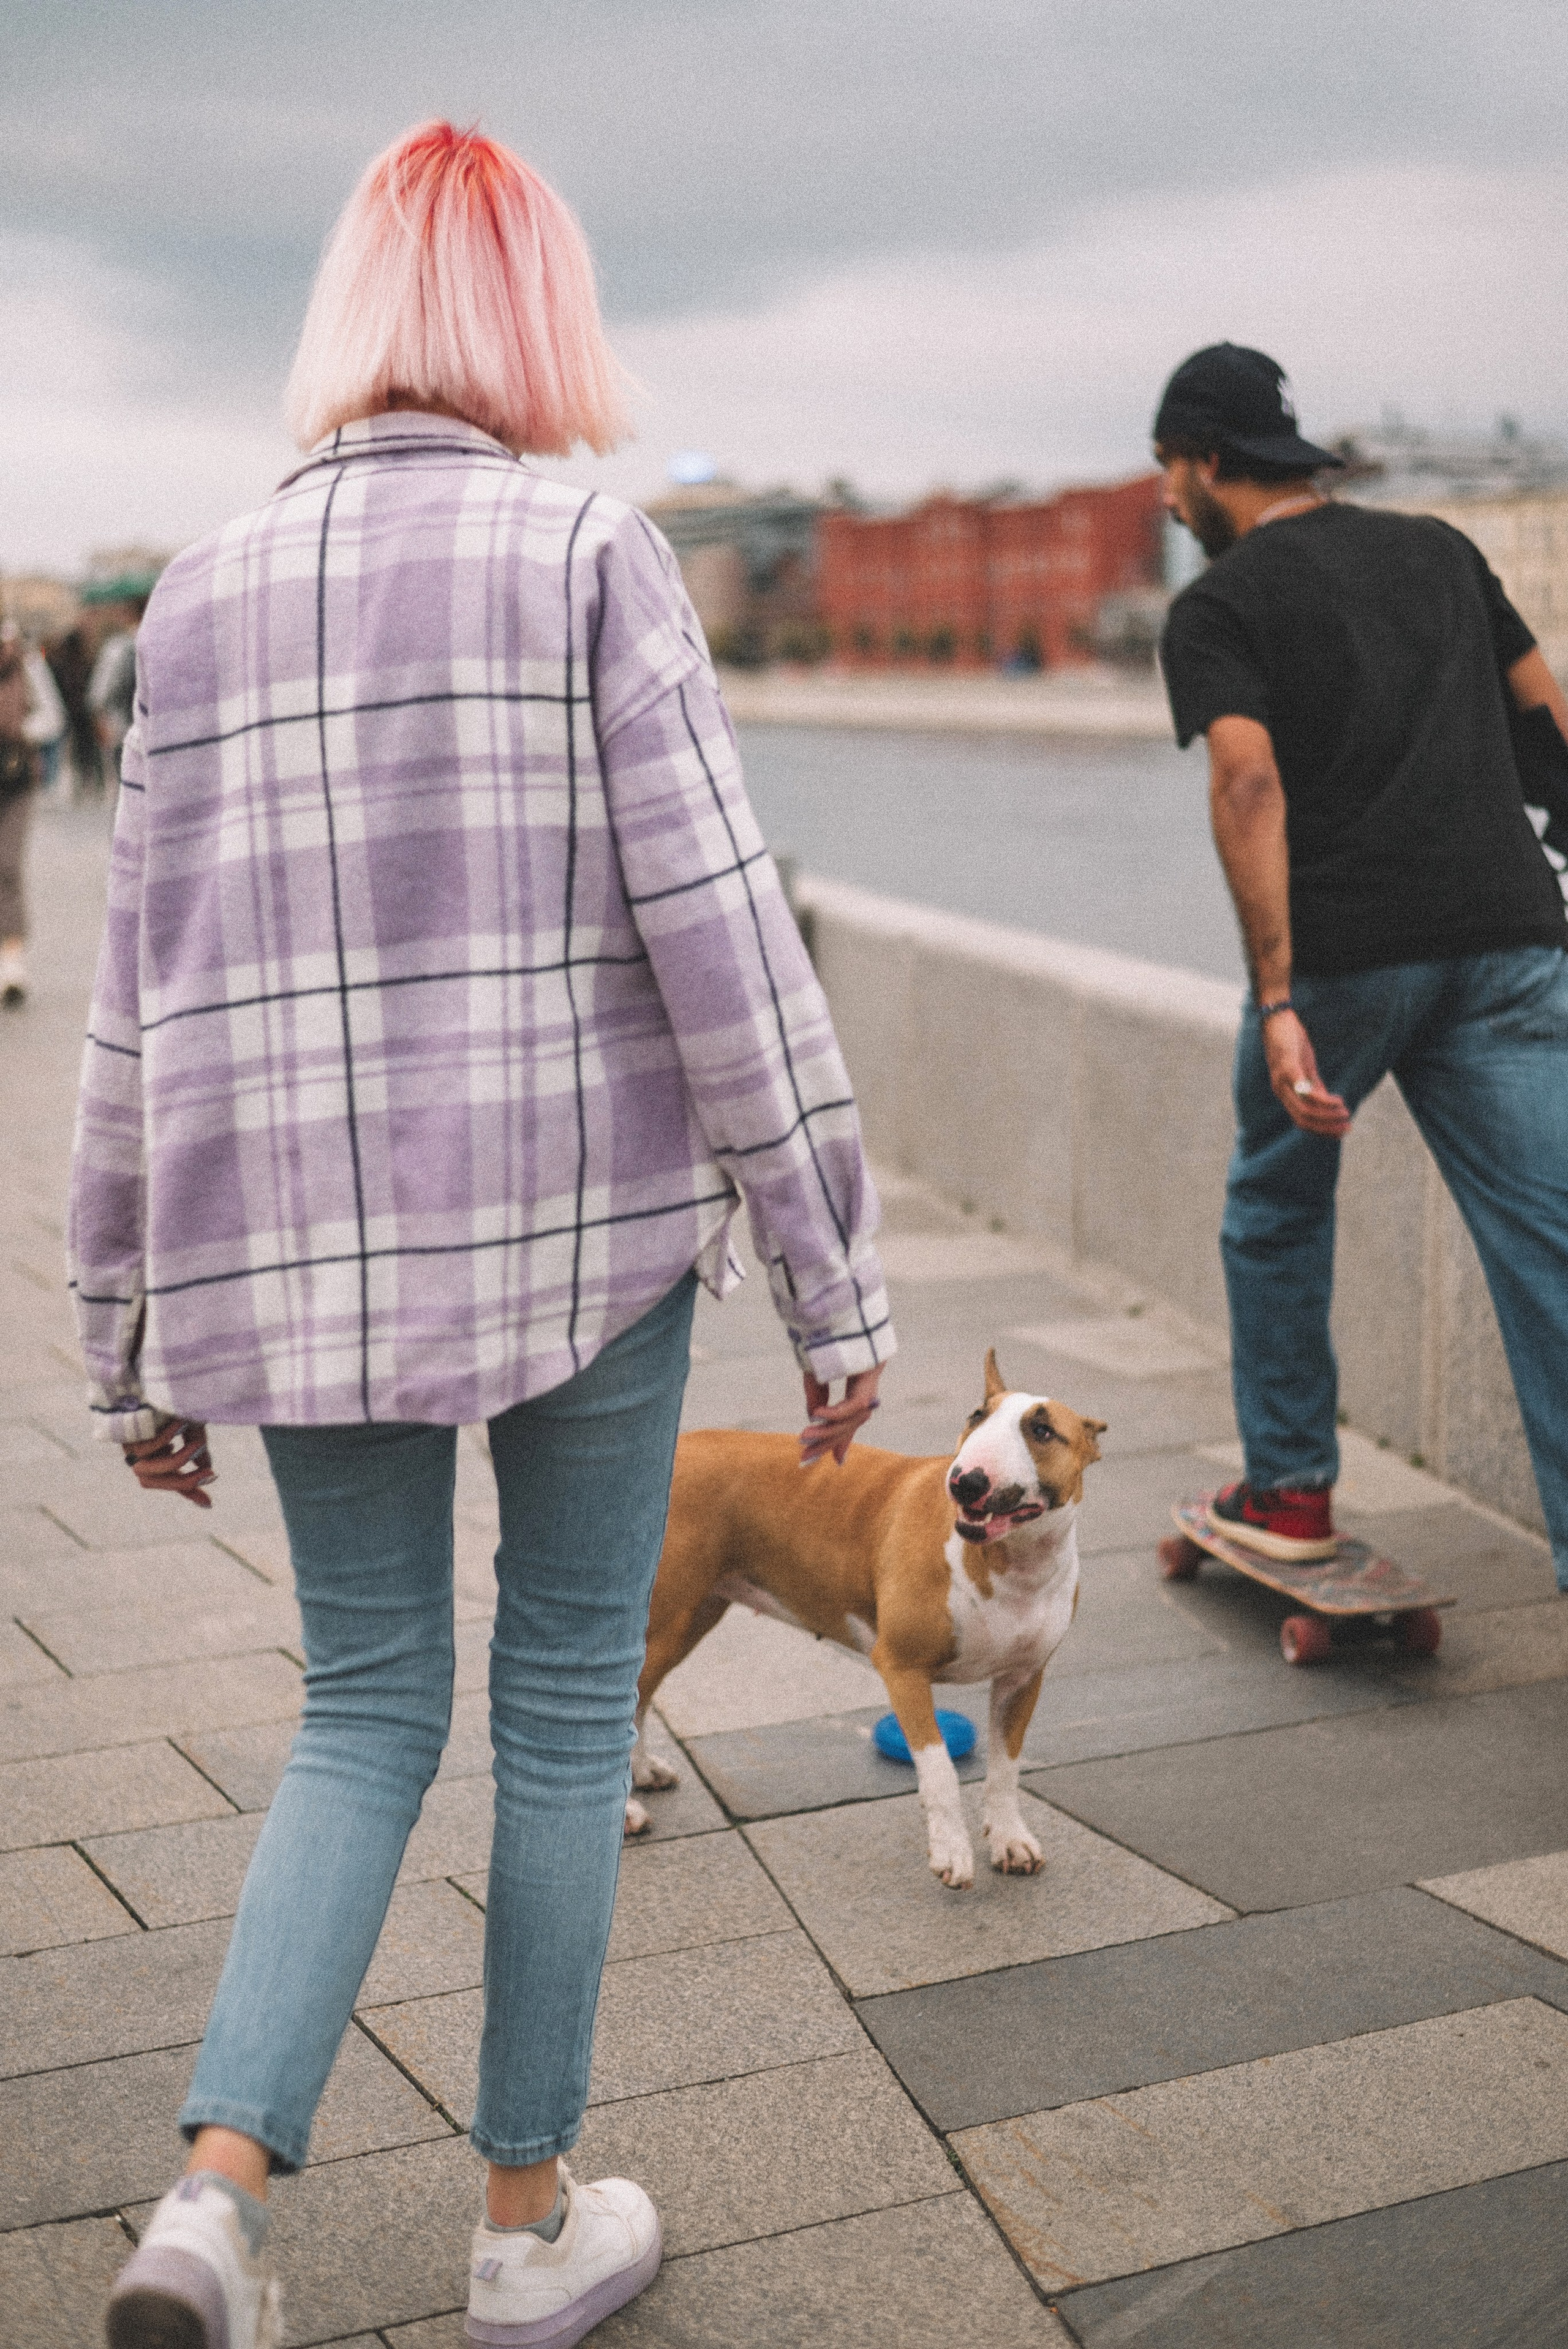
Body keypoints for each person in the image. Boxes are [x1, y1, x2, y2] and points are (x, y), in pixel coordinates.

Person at [76, 121, 893, 2349]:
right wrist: (828, 1268)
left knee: (358, 1706)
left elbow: (142, 989)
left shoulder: (200, 591)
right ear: (541, 314)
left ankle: (212, 2206)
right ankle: (524, 2218)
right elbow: (725, 943)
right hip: (575, 1244)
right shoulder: (586, 555)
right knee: (553, 1706)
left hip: (295, 1257)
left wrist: (126, 1328)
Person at [1154, 342, 1568, 1588]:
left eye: (1169, 470)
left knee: (1276, 1212)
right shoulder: (1438, 551)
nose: (1168, 501)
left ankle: (1286, 1492)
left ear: (1211, 461)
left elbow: (1246, 780)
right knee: (1548, 1243)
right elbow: (1544, 721)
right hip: (1507, 942)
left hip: (1345, 960)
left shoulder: (1217, 606)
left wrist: (1277, 1000)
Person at [0, 636, 39, 1005]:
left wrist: (19, 727)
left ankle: (12, 967)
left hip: (13, 778)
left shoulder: (23, 664)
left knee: (7, 868)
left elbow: (50, 717)